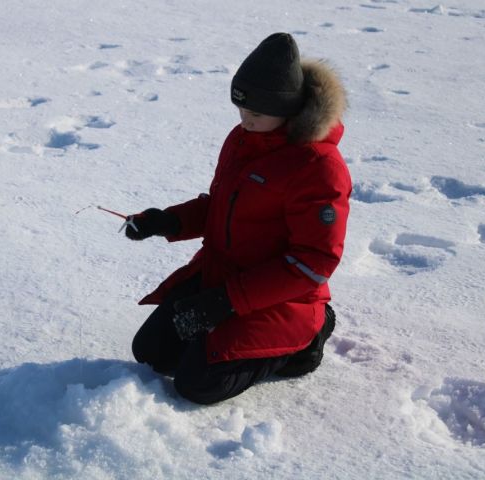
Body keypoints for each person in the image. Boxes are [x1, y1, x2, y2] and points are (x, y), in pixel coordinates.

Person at [124, 33, 351, 405]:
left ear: (288, 110)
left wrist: (225, 302)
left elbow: (314, 262)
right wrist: (166, 221)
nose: (244, 121)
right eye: (240, 111)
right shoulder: (244, 138)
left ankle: (310, 336)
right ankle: (223, 330)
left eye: (255, 113)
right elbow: (222, 205)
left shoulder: (319, 167)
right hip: (221, 275)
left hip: (281, 298)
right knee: (152, 354)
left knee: (196, 385)